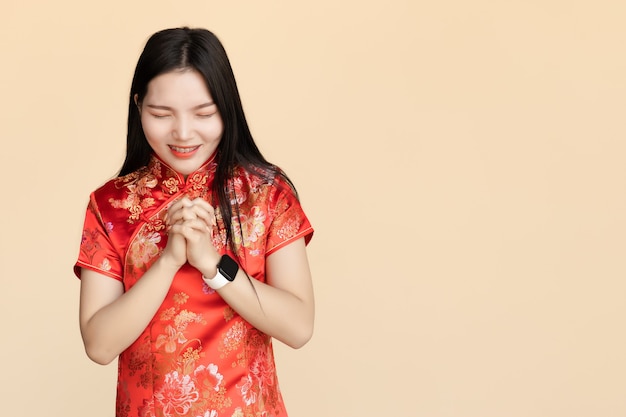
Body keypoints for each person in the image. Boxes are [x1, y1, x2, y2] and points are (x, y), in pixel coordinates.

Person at [74, 27, 314, 417]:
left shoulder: (266, 194)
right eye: (161, 113)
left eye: (203, 113)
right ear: (138, 107)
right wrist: (168, 260)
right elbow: (99, 346)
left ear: (226, 107)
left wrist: (212, 264)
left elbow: (299, 327)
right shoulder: (110, 205)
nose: (183, 133)